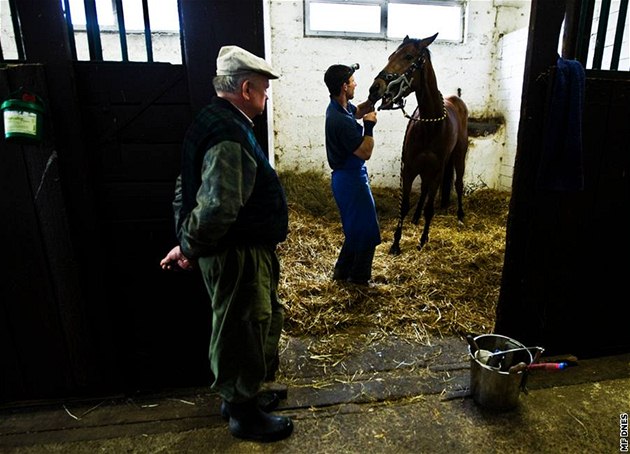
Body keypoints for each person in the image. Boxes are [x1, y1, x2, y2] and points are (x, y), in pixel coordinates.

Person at [159, 45, 292, 442]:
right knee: (243, 327)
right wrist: (189, 246)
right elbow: (217, 205)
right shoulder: (229, 133)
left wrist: (188, 241)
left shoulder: (212, 121)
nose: (267, 97)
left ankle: (242, 396)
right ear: (247, 89)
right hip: (238, 254)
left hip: (237, 249)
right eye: (265, 90)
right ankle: (242, 413)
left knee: (248, 322)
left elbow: (187, 186)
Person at [324, 63, 381, 285]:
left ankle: (341, 271)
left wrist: (372, 100)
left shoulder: (340, 107)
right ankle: (359, 279)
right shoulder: (340, 121)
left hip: (348, 177)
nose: (355, 83)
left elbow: (357, 111)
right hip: (350, 179)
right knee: (367, 231)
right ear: (343, 86)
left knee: (356, 227)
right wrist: (369, 127)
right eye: (352, 81)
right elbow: (365, 152)